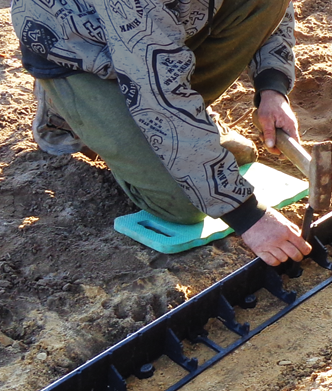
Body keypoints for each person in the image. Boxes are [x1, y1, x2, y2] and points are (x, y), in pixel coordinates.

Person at [10, 0, 312, 266]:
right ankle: (70, 103)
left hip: (153, 43)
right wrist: (249, 217)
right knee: (185, 204)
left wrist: (273, 88)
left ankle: (184, 124)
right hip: (76, 48)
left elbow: (274, 10)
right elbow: (157, 93)